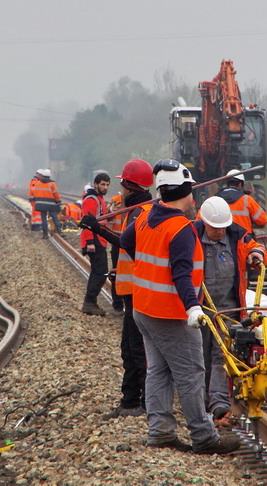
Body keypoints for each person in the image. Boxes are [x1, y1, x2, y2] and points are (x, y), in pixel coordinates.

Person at [120, 159, 240, 454]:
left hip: (143, 310)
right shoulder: (181, 228)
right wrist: (192, 307)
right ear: (186, 191)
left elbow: (126, 240)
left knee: (158, 371)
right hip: (170, 314)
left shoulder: (147, 216)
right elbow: (182, 274)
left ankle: (160, 431)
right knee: (191, 374)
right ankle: (204, 436)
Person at [80, 159, 153, 419]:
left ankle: (144, 403)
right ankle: (129, 401)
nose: (120, 190)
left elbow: (126, 243)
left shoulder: (141, 212)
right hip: (131, 287)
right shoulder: (137, 210)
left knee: (137, 350)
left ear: (129, 186)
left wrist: (96, 228)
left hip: (139, 289)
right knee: (129, 349)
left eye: (122, 185)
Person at [193, 196, 265, 421]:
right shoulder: (190, 236)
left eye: (223, 227)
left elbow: (255, 245)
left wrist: (257, 254)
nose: (220, 232)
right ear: (205, 223)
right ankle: (199, 400)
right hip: (200, 308)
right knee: (199, 354)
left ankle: (219, 402)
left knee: (220, 354)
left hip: (228, 309)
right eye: (215, 228)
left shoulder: (237, 237)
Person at [80, 172, 111, 316]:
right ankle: (89, 302)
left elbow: (100, 219)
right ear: (96, 184)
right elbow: (87, 222)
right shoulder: (92, 200)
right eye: (103, 184)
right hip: (95, 240)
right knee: (100, 272)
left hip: (99, 240)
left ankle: (90, 302)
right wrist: (90, 242)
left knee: (97, 271)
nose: (105, 187)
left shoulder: (99, 199)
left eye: (107, 185)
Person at [215, 169, 267, 234]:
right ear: (240, 184)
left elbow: (203, 221)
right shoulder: (247, 200)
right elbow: (262, 221)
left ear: (227, 184)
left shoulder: (215, 199)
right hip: (244, 239)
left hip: (221, 239)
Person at [107, 192, 126, 314]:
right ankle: (118, 304)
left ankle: (127, 303)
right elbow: (107, 217)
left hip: (129, 241)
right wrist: (110, 210)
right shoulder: (115, 200)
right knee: (116, 272)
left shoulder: (138, 200)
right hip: (116, 241)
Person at [28, 168, 61, 239]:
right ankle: (60, 232)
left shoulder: (38, 183)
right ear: (49, 176)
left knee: (43, 219)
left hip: (41, 205)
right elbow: (56, 194)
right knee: (54, 217)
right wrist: (58, 202)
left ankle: (45, 234)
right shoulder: (52, 183)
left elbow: (35, 193)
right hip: (51, 204)